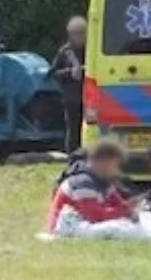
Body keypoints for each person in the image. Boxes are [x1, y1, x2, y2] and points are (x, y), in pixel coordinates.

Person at [46, 142, 137, 233]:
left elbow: (117, 203)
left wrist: (129, 209)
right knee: (115, 229)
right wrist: (123, 211)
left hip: (85, 223)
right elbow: (95, 217)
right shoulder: (82, 183)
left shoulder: (104, 182)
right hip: (67, 227)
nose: (117, 170)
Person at [51, 16, 89, 152]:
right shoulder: (65, 52)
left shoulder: (91, 50)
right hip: (71, 98)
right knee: (73, 129)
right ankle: (72, 156)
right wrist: (69, 72)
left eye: (82, 33)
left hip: (90, 97)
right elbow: (54, 73)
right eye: (76, 33)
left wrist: (84, 70)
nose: (79, 36)